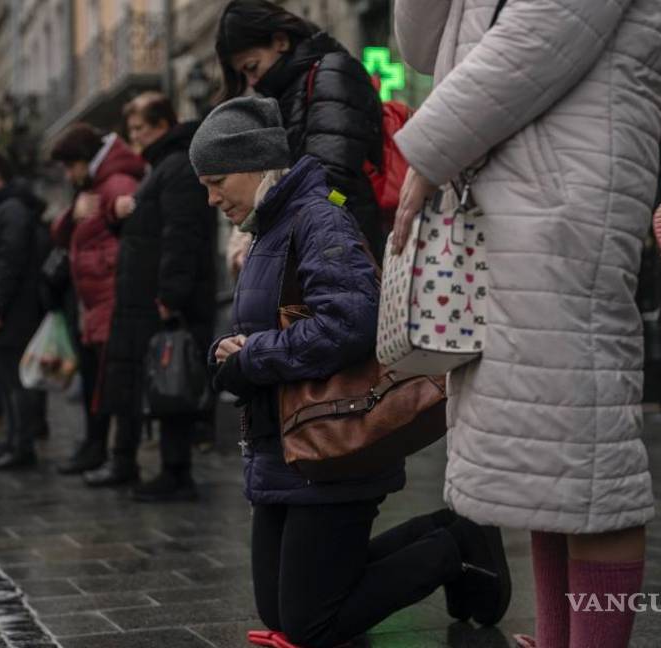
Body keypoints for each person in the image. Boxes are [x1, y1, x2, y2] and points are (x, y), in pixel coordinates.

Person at [388, 1, 661, 646]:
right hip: (510, 192)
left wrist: (430, 151)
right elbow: (418, 45)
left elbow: (542, 32)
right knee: (541, 448)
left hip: (569, 196)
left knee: (586, 447)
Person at [196, 96, 509, 648]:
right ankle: (448, 530)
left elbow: (352, 322)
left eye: (218, 179)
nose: (211, 196)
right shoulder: (268, 225)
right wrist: (229, 352)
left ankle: (455, 549)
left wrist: (254, 356)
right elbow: (262, 323)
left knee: (311, 624)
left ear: (255, 163)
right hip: (280, 450)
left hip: (331, 444)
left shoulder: (317, 218)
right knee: (281, 613)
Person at [100, 93, 218, 502]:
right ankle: (168, 468)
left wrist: (171, 293)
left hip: (163, 300)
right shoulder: (160, 168)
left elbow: (181, 236)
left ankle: (176, 471)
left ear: (163, 125)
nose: (135, 138)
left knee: (174, 382)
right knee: (158, 381)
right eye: (131, 130)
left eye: (141, 129)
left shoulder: (177, 167)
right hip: (146, 297)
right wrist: (121, 216)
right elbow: (150, 230)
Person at [215, 0, 384, 260]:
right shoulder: (287, 94)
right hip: (327, 242)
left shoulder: (330, 73)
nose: (253, 81)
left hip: (348, 247)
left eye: (252, 67)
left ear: (280, 41)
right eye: (244, 75)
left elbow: (332, 181)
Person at [49, 124, 146, 482]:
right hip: (93, 303)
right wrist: (72, 214)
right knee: (95, 381)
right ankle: (96, 448)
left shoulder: (117, 184)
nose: (67, 174)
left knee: (114, 383)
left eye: (69, 166)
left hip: (111, 299)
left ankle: (117, 457)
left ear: (83, 161)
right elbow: (60, 236)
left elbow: (130, 238)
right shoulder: (90, 189)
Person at [0, 150, 50, 470]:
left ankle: (22, 446)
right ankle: (13, 441)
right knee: (7, 381)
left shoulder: (12, 209)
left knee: (17, 382)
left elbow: (10, 261)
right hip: (5, 310)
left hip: (13, 312)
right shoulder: (0, 210)